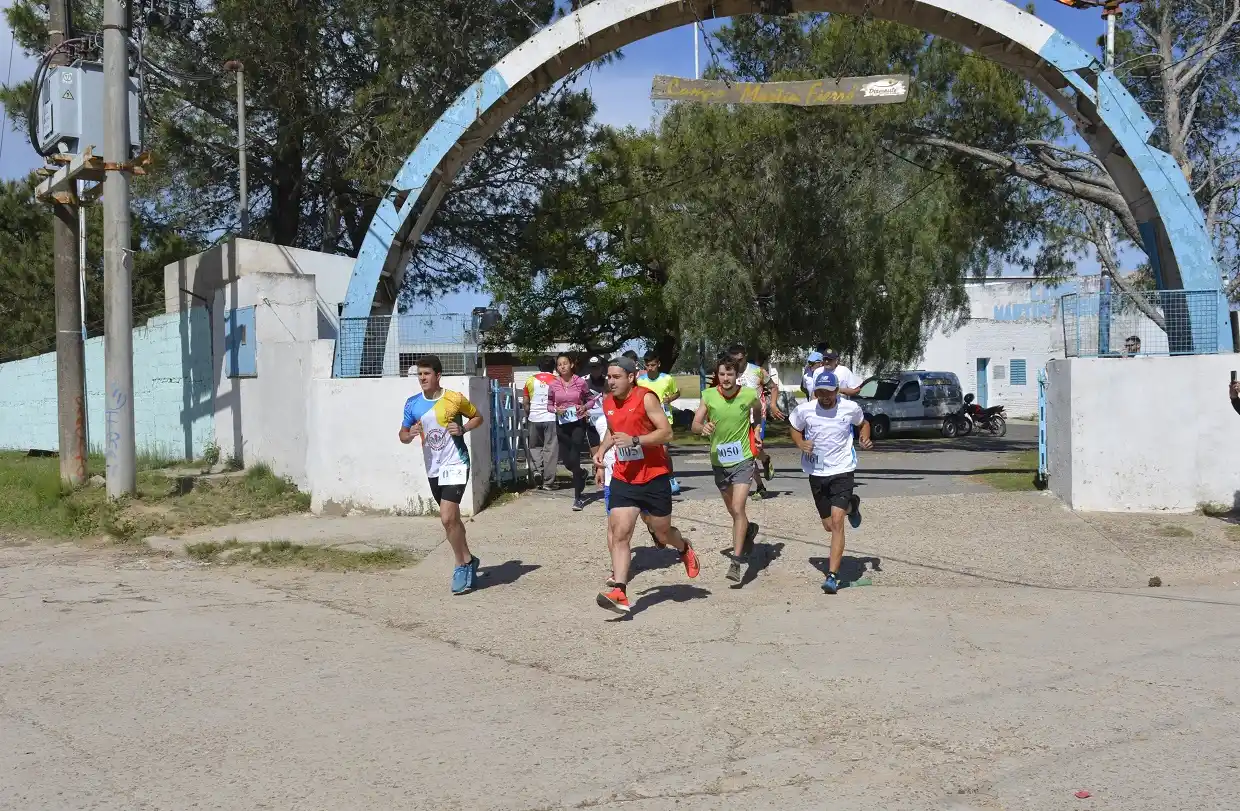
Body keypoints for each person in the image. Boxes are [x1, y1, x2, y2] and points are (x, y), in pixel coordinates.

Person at [594, 356, 700, 614]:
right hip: (624, 477)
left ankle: (684, 547)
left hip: (653, 477)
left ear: (631, 377)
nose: (611, 381)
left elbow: (667, 433)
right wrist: (602, 449)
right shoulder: (608, 402)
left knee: (662, 532)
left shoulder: (646, 398)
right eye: (609, 377)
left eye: (617, 377)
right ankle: (620, 590)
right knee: (620, 533)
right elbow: (612, 428)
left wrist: (636, 440)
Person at [399, 355, 485, 595]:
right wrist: (411, 433)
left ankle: (460, 564)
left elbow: (478, 417)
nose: (422, 378)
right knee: (453, 520)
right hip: (433, 468)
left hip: (456, 462)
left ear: (438, 376)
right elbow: (402, 435)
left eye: (427, 374)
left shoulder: (454, 399)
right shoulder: (412, 404)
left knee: (447, 517)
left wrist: (464, 427)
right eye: (419, 374)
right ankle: (468, 557)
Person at [789, 370, 871, 595]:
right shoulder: (805, 410)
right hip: (816, 472)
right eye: (821, 392)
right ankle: (853, 505)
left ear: (837, 391)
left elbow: (863, 423)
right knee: (828, 525)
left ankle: (832, 576)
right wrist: (800, 442)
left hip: (843, 469)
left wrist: (864, 437)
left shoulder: (849, 408)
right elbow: (794, 428)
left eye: (830, 392)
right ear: (815, 392)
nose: (825, 396)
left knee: (837, 522)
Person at [693, 357, 762, 583]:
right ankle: (748, 530)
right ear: (717, 375)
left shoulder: (749, 395)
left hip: (743, 459)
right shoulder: (709, 395)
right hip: (719, 460)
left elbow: (758, 412)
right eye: (722, 374)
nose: (725, 379)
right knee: (734, 513)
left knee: (738, 506)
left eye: (730, 374)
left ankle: (737, 561)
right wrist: (703, 427)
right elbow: (694, 425)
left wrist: (757, 429)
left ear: (736, 376)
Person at [728, 343, 784, 493]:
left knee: (756, 450)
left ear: (745, 356)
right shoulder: (729, 373)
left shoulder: (757, 371)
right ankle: (760, 487)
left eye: (739, 360)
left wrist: (773, 404)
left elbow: (773, 387)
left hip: (758, 417)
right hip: (738, 419)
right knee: (747, 455)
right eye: (733, 361)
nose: (736, 364)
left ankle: (765, 459)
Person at [547, 353, 591, 511]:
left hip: (578, 424)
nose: (562, 367)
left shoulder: (580, 382)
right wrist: (555, 409)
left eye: (565, 363)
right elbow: (549, 404)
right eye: (559, 364)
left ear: (571, 365)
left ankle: (578, 498)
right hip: (562, 424)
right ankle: (582, 473)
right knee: (567, 462)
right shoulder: (553, 384)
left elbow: (591, 399)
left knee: (575, 458)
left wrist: (584, 407)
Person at [638, 351, 683, 495]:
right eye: (647, 365)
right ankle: (652, 479)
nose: (650, 368)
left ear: (658, 364)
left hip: (665, 419)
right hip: (647, 420)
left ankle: (670, 477)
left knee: (663, 451)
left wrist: (670, 398)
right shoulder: (640, 381)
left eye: (653, 365)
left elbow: (677, 392)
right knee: (648, 451)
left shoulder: (667, 379)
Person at [524, 356, 559, 489]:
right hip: (551, 418)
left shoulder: (530, 380)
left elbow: (526, 403)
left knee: (535, 447)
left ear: (539, 367)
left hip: (534, 418)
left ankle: (537, 471)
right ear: (553, 367)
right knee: (550, 449)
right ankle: (548, 482)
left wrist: (529, 415)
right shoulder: (557, 381)